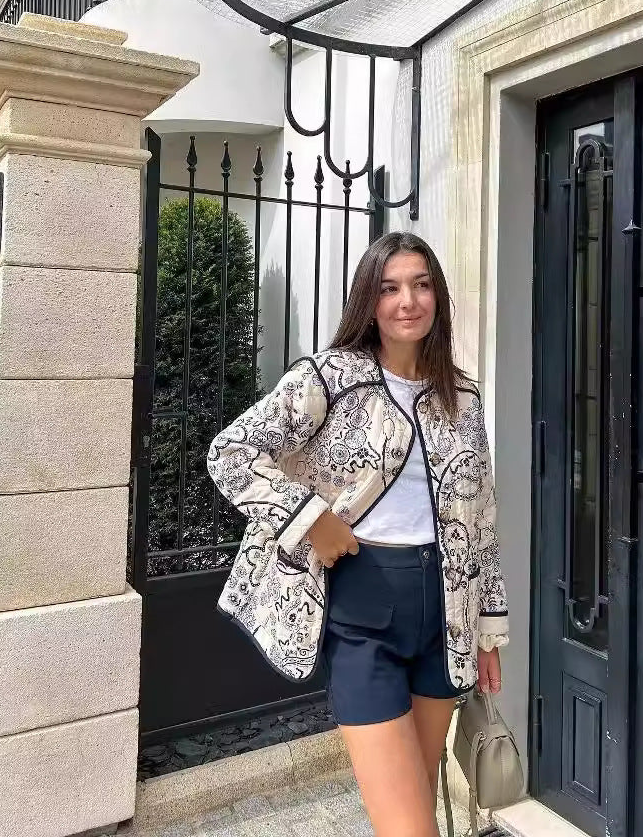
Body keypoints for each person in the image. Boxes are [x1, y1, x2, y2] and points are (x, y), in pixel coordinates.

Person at [209, 231, 509, 837]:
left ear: (438, 296)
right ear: (368, 301)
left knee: (416, 803)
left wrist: (487, 628)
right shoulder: (330, 379)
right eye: (390, 288)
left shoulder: (463, 395)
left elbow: (481, 519)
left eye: (421, 285)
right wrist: (311, 519)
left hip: (446, 612)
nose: (408, 301)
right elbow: (231, 452)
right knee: (409, 828)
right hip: (364, 611)